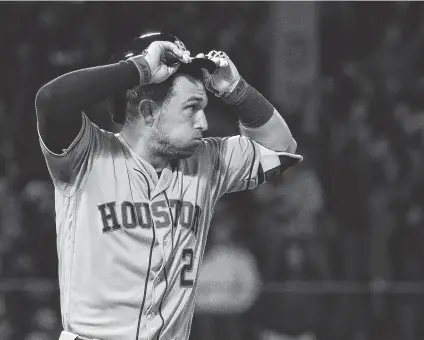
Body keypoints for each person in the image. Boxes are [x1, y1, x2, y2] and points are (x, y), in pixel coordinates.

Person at [35, 32, 301, 340]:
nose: (203, 122)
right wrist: (140, 69)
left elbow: (282, 149)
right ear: (148, 112)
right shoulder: (88, 154)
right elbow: (52, 100)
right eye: (191, 108)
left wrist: (238, 92)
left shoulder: (206, 161)